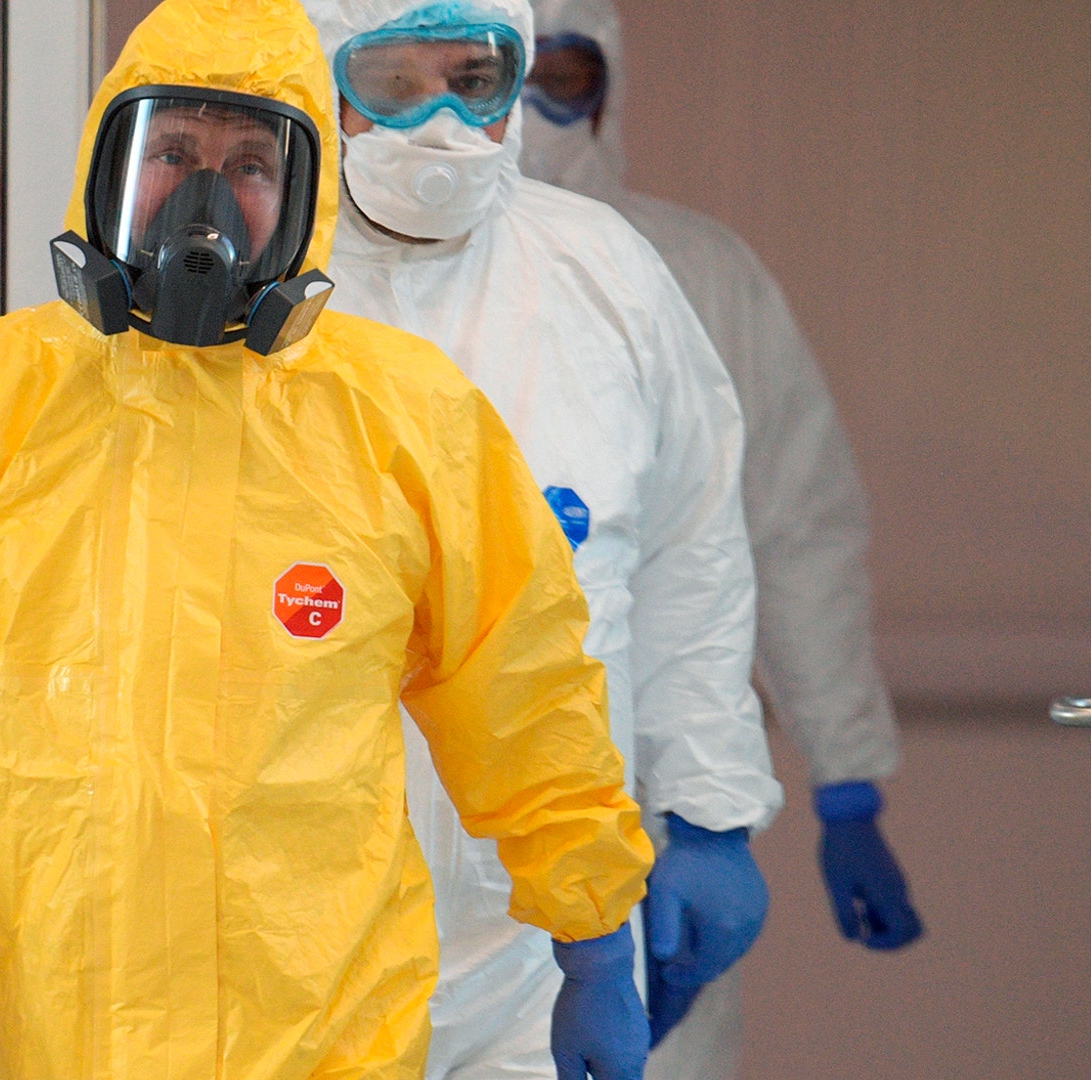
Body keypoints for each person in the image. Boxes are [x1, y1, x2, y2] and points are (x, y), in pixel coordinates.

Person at [0, 1, 659, 1078]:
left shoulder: (407, 421)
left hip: (320, 1036)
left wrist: (593, 935)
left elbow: (524, 686)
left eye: (251, 162)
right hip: (53, 1030)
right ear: (108, 163)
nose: (207, 195)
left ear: (303, 193)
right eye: (172, 150)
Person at [300, 1, 784, 1077]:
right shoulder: (257, 292)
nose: (439, 122)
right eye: (392, 79)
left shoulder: (602, 275)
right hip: (287, 926)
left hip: (556, 929)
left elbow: (690, 551)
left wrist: (708, 811)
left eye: (475, 76)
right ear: (319, 72)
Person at [519, 1, 925, 1074]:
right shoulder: (347, 280)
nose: (522, 111)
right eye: (484, 73)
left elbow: (790, 526)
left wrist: (845, 779)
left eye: (557, 75)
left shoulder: (692, 272)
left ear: (610, 83)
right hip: (408, 809)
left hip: (648, 804)